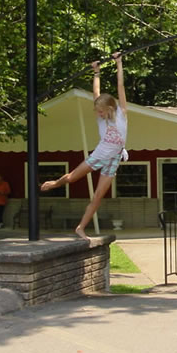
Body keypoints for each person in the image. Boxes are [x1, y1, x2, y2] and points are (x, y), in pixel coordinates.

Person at [41, 52, 128, 239]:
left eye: (100, 111)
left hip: (113, 159)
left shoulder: (122, 113)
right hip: (98, 156)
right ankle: (56, 183)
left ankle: (80, 227)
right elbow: (96, 94)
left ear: (109, 109)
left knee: (98, 197)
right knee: (72, 178)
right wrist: (96, 72)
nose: (97, 114)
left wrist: (118, 63)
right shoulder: (100, 119)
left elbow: (120, 86)